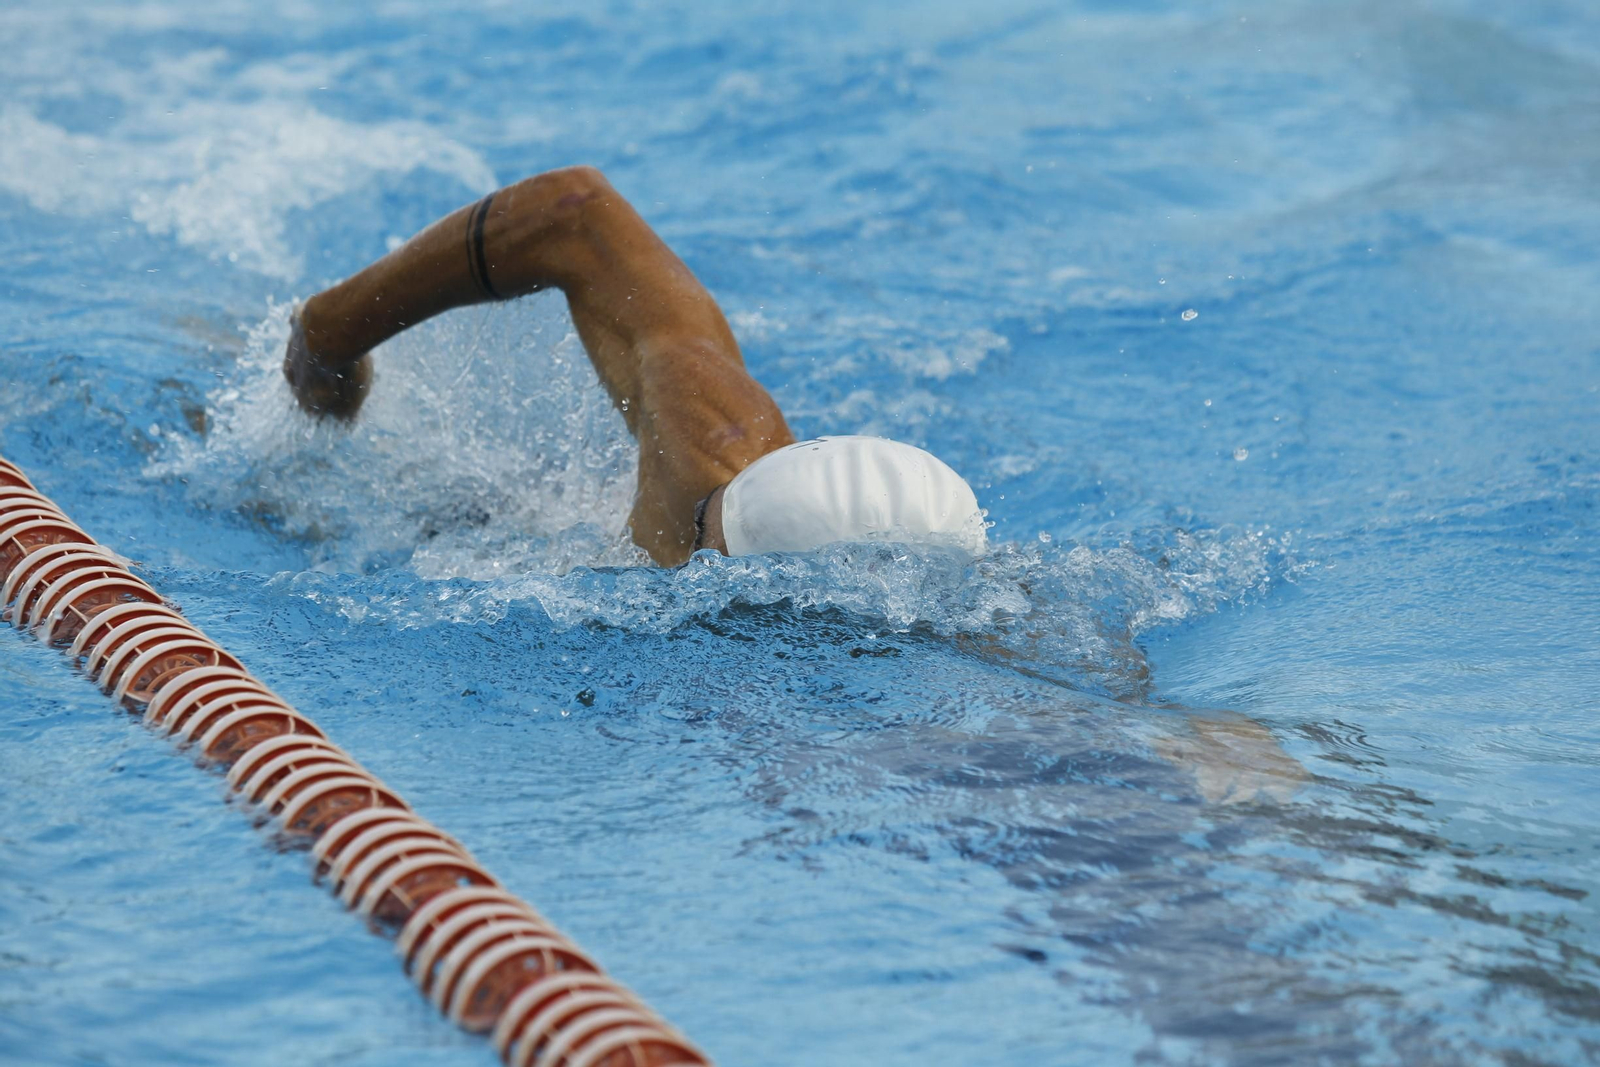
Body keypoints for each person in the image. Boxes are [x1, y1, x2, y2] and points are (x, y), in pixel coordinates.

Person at [284, 166, 986, 566]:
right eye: (710, 522)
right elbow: (574, 213)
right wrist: (328, 338)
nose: (698, 525)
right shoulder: (715, 454)